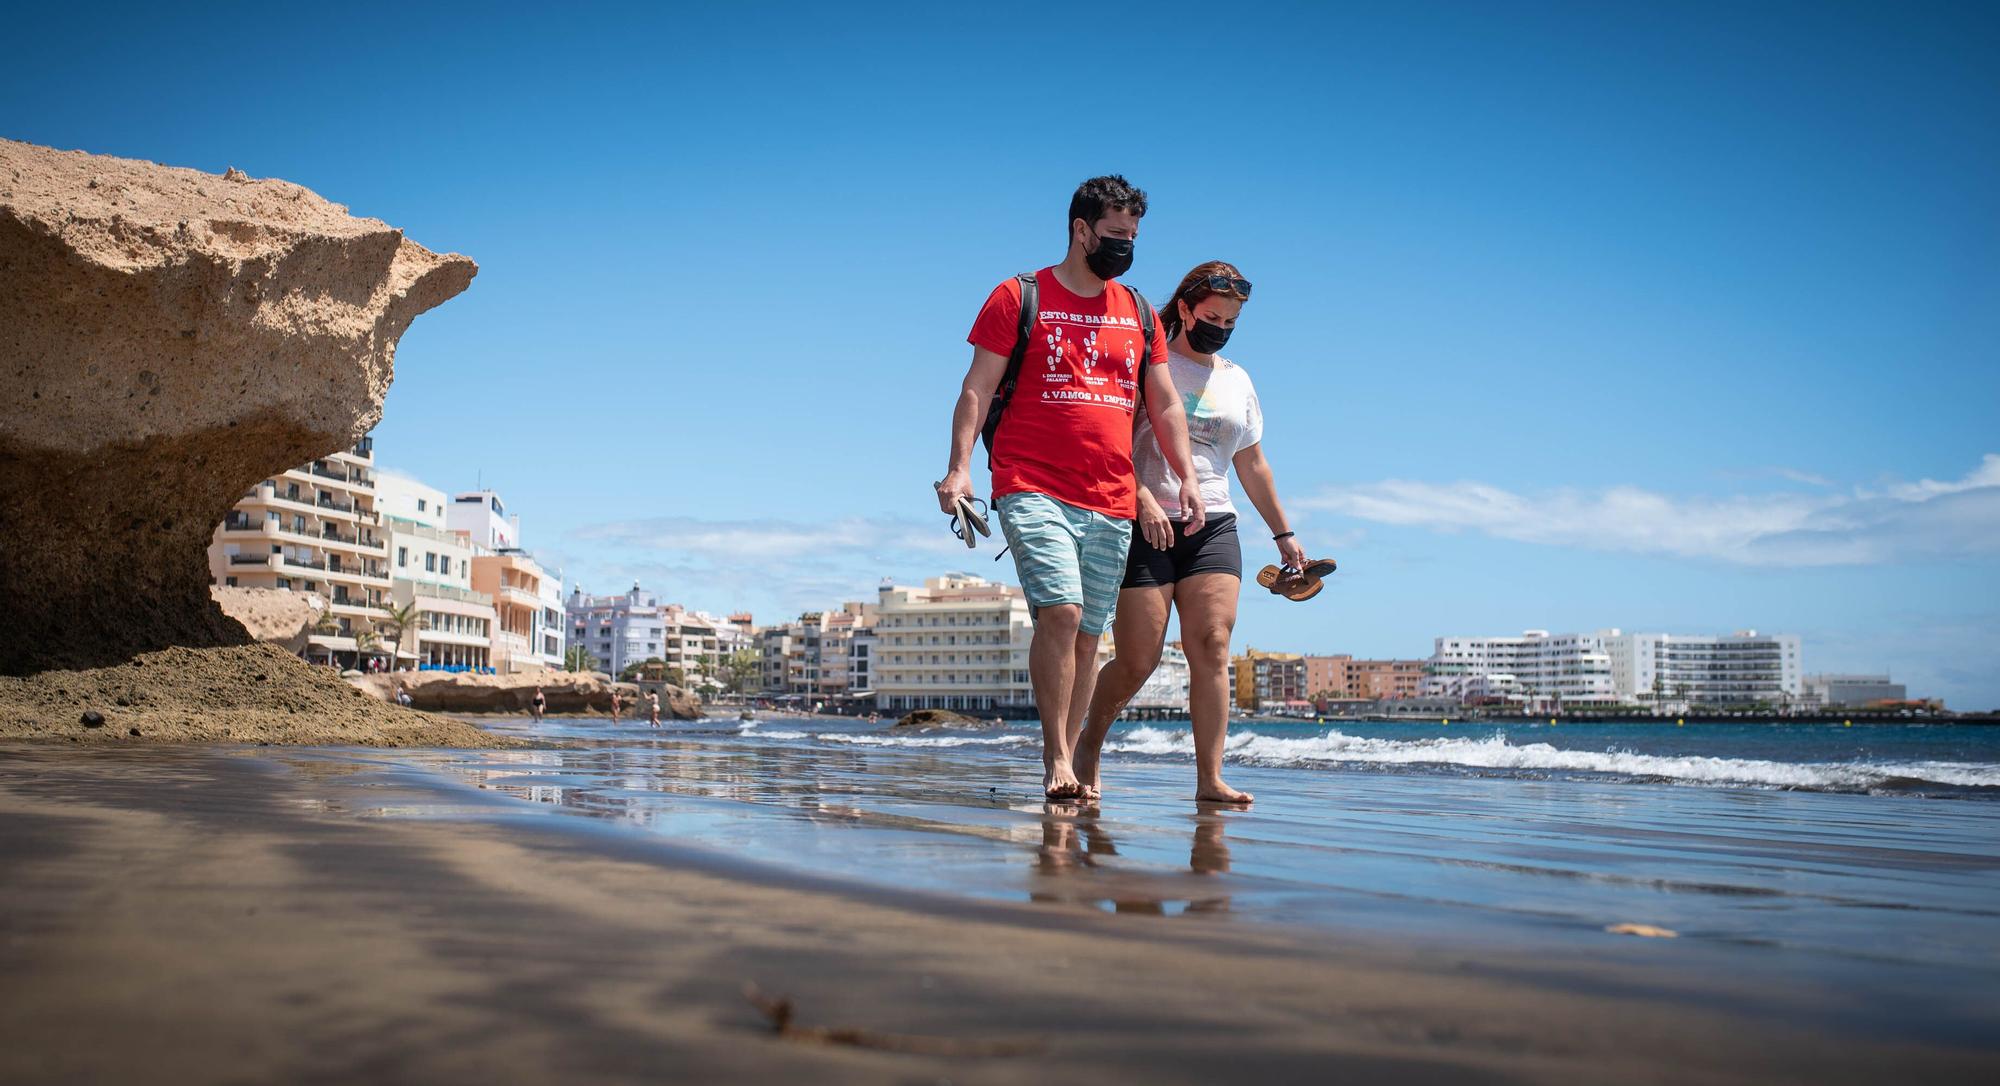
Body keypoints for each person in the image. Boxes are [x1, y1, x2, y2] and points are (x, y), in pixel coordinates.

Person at [936, 175, 1205, 800]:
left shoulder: (1137, 312)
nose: (1125, 247)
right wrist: (959, 468)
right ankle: (1056, 759)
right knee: (1062, 611)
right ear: (1080, 230)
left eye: (1133, 237)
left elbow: (1163, 404)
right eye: (1114, 236)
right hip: (1030, 481)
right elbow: (977, 387)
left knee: (1089, 636)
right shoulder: (1018, 295)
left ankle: (1075, 760)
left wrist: (1185, 475)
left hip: (1110, 494)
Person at [1072, 261, 1305, 806]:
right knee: (1139, 658)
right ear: (1184, 309)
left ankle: (1209, 779)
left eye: (1231, 321)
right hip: (1144, 519)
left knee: (1213, 645)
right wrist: (1144, 498)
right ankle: (1089, 742)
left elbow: (1252, 465)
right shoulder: (1148, 362)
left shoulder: (1237, 381)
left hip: (1214, 522)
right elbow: (1110, 443)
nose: (1220, 328)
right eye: (1212, 316)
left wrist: (1284, 534)